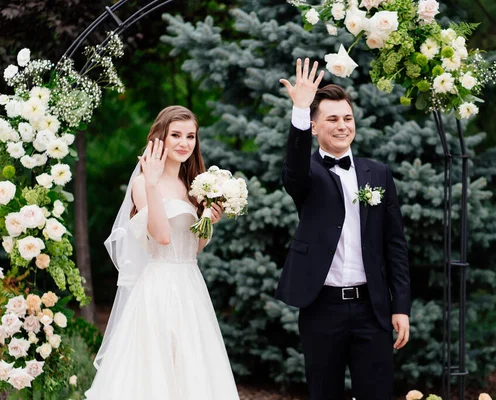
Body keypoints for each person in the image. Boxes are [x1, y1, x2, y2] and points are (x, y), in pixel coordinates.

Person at [276, 59, 411, 400]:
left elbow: (395, 244)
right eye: (332, 119)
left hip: (372, 309)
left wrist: (401, 307)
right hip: (322, 308)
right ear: (315, 127)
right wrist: (300, 110)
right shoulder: (306, 174)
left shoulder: (377, 173)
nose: (342, 126)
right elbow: (293, 168)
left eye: (347, 118)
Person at [85, 106, 239, 399]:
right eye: (176, 135)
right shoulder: (143, 184)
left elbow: (195, 247)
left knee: (192, 366)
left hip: (190, 283)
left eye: (190, 136)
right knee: (156, 369)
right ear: (161, 139)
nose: (184, 143)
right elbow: (162, 236)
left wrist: (209, 220)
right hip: (159, 285)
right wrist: (154, 185)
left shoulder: (194, 184)